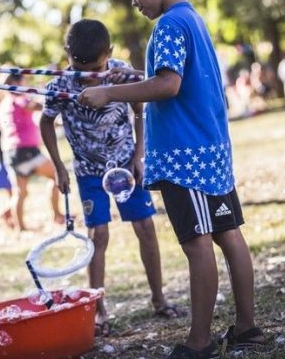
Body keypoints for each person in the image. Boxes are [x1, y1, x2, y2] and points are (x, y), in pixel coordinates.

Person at [78, 0, 263, 359]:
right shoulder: (192, 19)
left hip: (186, 160)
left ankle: (200, 342)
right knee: (228, 236)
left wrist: (109, 94)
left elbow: (168, 84)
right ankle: (247, 326)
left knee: (197, 243)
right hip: (211, 153)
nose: (135, 2)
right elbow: (175, 79)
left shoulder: (168, 26)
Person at [39, 19, 182, 338]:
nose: (90, 73)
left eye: (97, 66)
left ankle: (159, 298)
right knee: (98, 235)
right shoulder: (60, 85)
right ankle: (98, 310)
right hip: (89, 172)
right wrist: (59, 167)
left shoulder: (120, 72)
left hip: (127, 166)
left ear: (110, 53)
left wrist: (139, 153)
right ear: (68, 54)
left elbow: (140, 105)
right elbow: (46, 123)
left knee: (145, 226)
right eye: (81, 66)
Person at [0, 74, 62, 230]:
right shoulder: (18, 98)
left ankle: (20, 228)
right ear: (15, 83)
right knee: (57, 176)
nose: (26, 83)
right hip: (26, 151)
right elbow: (37, 107)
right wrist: (45, 94)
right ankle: (57, 215)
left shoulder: (4, 104)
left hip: (10, 152)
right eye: (24, 81)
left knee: (20, 192)